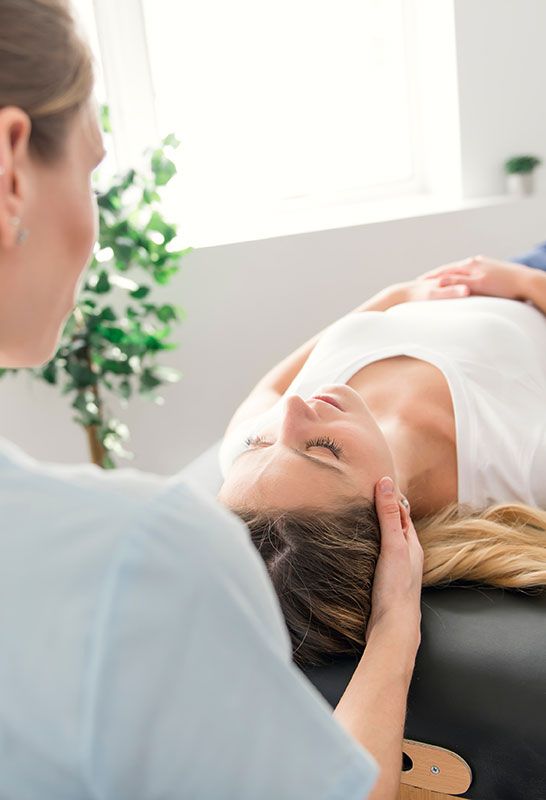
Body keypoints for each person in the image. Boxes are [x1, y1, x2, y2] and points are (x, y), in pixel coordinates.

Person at [0, 2, 426, 798]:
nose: (92, 228)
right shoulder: (143, 552)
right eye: (91, 171)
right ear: (11, 170)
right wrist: (395, 624)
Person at [218, 256, 546, 666]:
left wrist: (396, 295)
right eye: (322, 448)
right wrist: (528, 284)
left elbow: (272, 388)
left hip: (465, 278)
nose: (293, 411)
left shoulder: (247, 465)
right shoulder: (523, 464)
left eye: (260, 441)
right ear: (394, 514)